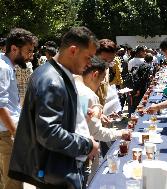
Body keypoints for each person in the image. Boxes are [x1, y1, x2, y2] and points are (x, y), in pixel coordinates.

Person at [8, 27, 100, 189]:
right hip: (56, 173)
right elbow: (49, 133)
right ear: (73, 51)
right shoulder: (52, 80)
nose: (90, 64)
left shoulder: (56, 73)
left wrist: (76, 112)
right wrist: (86, 145)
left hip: (55, 169)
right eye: (88, 57)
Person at [74, 56, 131, 182]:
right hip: (78, 155)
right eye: (101, 81)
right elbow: (97, 132)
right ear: (94, 75)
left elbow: (80, 118)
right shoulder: (89, 95)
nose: (100, 86)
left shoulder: (69, 86)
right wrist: (120, 133)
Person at [0, 28, 37, 189]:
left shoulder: (6, 65)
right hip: (6, 134)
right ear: (14, 48)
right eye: (28, 51)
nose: (30, 55)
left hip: (7, 132)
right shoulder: (4, 68)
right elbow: (0, 106)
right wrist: (15, 132)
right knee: (13, 184)